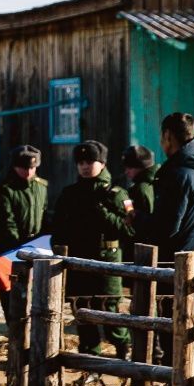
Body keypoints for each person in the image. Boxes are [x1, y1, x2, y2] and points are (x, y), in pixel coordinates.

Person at [50, 140, 133, 356]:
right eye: (81, 162)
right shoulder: (70, 194)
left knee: (110, 314)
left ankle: (124, 350)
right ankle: (89, 358)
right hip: (79, 263)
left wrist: (103, 213)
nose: (85, 166)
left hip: (107, 264)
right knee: (83, 312)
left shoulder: (115, 194)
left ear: (102, 163)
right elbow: (57, 227)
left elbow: (129, 230)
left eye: (91, 162)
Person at [0, 145, 49, 336]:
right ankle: (15, 333)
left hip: (36, 247)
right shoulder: (4, 189)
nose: (28, 172)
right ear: (15, 166)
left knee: (36, 294)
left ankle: (32, 334)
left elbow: (44, 214)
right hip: (10, 248)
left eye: (32, 168)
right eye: (23, 167)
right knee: (11, 295)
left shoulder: (41, 186)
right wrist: (21, 248)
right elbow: (6, 223)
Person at [145, 114, 194, 260]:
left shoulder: (178, 175)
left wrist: (137, 219)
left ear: (167, 136)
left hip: (179, 266)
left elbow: (166, 227)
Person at [118, 145, 159, 238]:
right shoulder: (156, 182)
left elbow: (140, 222)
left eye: (130, 168)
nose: (126, 172)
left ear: (141, 167)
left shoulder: (141, 188)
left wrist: (127, 205)